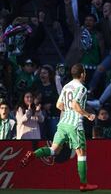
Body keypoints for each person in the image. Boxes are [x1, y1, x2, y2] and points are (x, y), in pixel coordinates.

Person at [19, 64, 98, 192]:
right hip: (74, 124)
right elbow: (75, 104)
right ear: (82, 74)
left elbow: (59, 105)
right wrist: (88, 115)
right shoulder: (81, 88)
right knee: (81, 154)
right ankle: (84, 184)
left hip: (62, 124)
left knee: (54, 150)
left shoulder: (66, 87)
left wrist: (68, 111)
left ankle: (33, 154)